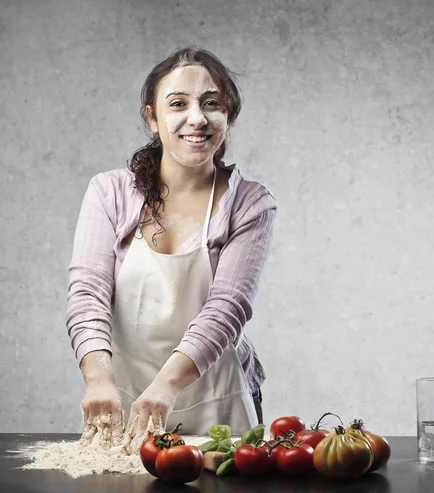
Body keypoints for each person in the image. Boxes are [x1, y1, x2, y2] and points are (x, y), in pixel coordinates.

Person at [66, 47, 278, 451]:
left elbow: (227, 309)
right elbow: (87, 293)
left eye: (211, 104)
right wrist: (98, 380)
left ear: (227, 115)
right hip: (124, 400)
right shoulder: (108, 192)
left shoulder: (251, 203)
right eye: (178, 104)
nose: (196, 118)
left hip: (220, 399)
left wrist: (166, 387)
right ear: (152, 117)